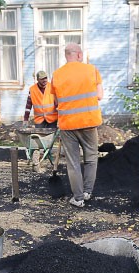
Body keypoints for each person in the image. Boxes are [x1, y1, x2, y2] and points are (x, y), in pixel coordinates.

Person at [50, 43, 103, 208]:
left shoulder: (57, 75)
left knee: (73, 162)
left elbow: (56, 102)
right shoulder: (92, 70)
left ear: (66, 56)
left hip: (68, 125)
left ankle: (78, 198)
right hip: (89, 122)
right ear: (79, 55)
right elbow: (100, 95)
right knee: (91, 158)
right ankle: (88, 191)